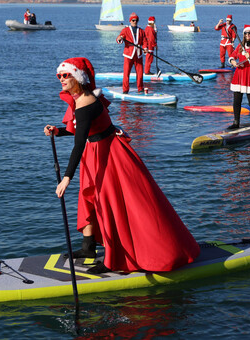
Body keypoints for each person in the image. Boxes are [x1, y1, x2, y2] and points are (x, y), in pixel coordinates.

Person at [43, 57, 200, 274]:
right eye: (59, 76)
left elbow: (78, 143)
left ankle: (112, 259)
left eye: (66, 75)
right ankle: (88, 247)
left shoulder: (85, 103)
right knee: (88, 198)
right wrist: (57, 131)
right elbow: (78, 131)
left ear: (77, 77)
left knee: (109, 204)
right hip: (96, 152)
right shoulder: (81, 99)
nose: (61, 79)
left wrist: (66, 178)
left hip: (108, 155)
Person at [117, 12, 148, 94]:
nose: (135, 22)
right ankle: (125, 90)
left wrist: (145, 48)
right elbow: (119, 38)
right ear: (130, 21)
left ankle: (140, 88)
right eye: (133, 20)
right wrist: (120, 38)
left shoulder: (141, 31)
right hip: (128, 54)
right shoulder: (125, 30)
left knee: (140, 73)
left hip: (138, 54)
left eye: (136, 20)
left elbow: (144, 41)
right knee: (126, 73)